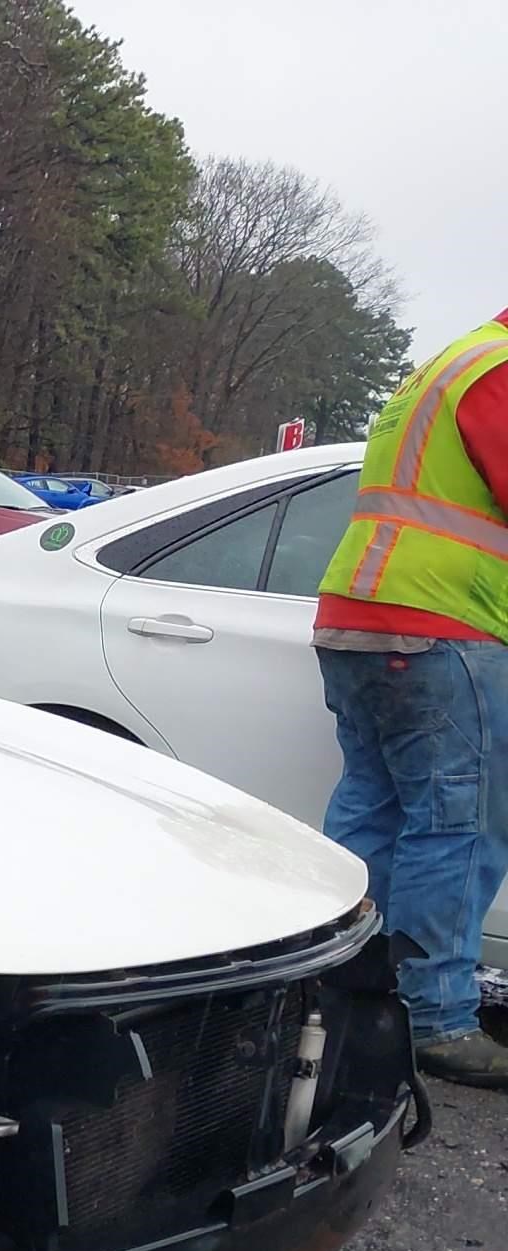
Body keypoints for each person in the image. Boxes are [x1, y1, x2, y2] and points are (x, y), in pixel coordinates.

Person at [315, 307, 508, 1087]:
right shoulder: (496, 372)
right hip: (442, 626)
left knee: (373, 808)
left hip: (360, 616)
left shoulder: (444, 365)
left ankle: (331, 988)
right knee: (457, 827)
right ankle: (436, 1019)